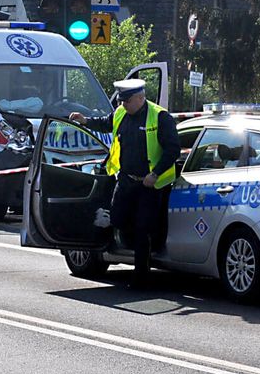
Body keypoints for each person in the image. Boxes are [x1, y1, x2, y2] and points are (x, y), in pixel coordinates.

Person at [71, 79, 180, 288]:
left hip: (150, 186)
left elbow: (173, 150)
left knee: (142, 230)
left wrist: (155, 174)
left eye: (127, 101)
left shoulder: (160, 117)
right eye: (121, 101)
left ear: (140, 98)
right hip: (126, 180)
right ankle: (128, 250)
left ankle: (141, 278)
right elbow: (106, 122)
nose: (123, 105)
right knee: (118, 219)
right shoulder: (122, 112)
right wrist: (86, 121)